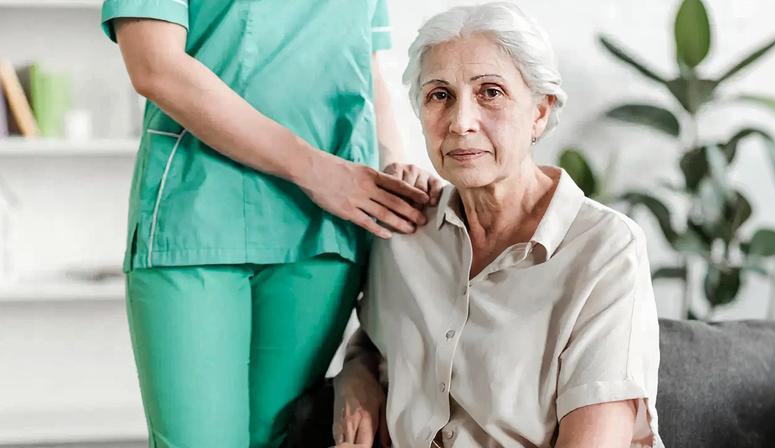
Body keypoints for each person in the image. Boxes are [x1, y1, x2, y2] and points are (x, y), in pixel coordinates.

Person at [100, 0, 441, 446]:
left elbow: (367, 62)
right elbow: (154, 66)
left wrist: (393, 166)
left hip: (326, 226)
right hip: (200, 212)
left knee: (281, 437)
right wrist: (316, 172)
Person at [332, 3, 663, 447]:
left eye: (490, 92)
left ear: (540, 113)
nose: (461, 122)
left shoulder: (605, 250)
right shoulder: (406, 232)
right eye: (439, 95)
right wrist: (355, 375)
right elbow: (380, 336)